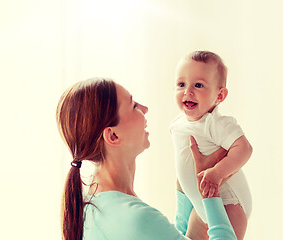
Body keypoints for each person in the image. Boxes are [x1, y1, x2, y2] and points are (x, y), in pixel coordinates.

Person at [56, 77, 237, 240]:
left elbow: (169, 235)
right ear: (113, 136)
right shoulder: (135, 220)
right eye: (133, 105)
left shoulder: (90, 207)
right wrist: (210, 192)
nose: (144, 109)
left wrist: (186, 191)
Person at [170, 51, 253, 240]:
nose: (187, 91)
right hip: (201, 204)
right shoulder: (177, 124)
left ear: (220, 95)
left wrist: (217, 173)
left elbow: (244, 148)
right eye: (181, 84)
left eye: (198, 85)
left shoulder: (215, 123)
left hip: (229, 203)